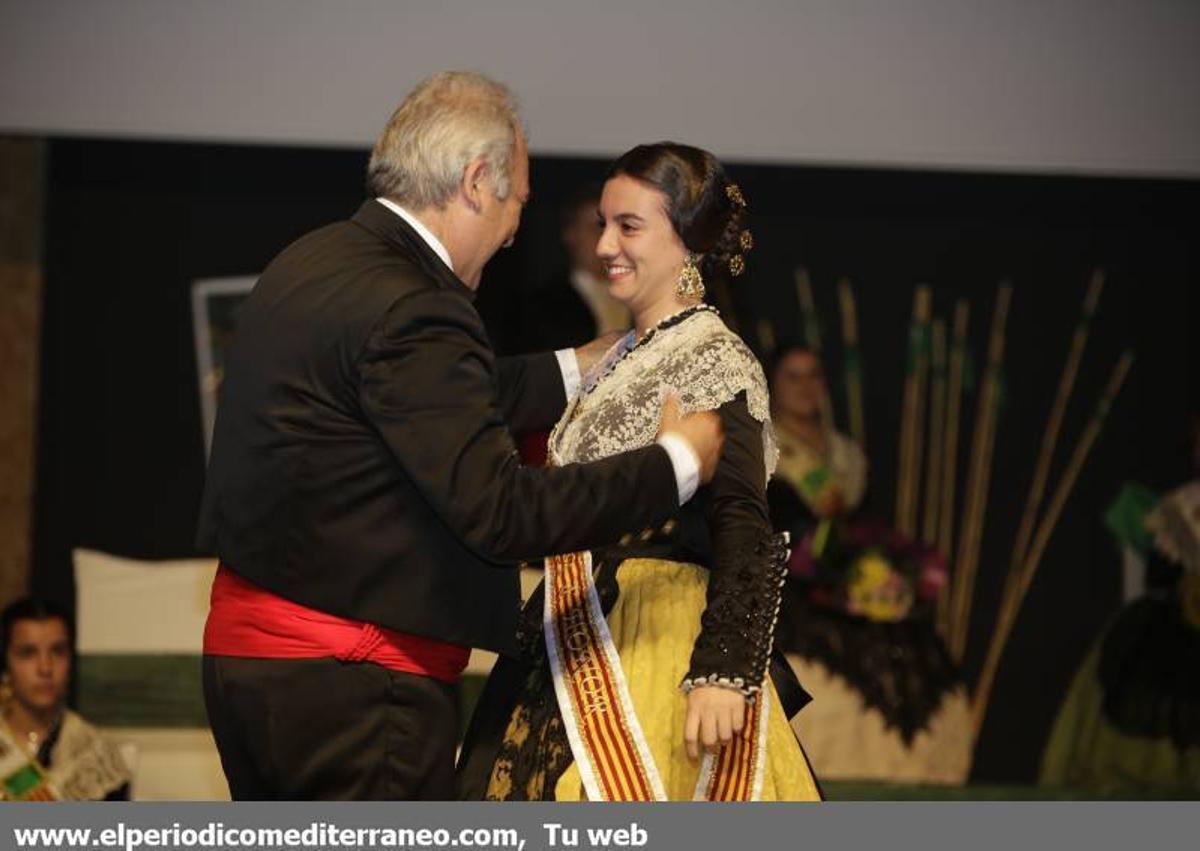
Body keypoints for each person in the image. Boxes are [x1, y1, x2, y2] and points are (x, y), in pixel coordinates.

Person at [197, 72, 723, 801]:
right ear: (477, 181)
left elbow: (421, 405)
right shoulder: (417, 305)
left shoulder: (316, 259)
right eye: (516, 203)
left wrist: (581, 365)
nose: (514, 229)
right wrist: (675, 464)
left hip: (252, 674)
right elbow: (501, 511)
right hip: (352, 689)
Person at [456, 143, 821, 801]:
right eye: (602, 223)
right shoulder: (618, 357)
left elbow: (743, 522)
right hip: (574, 632)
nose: (603, 245)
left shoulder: (717, 361)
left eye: (628, 226)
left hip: (658, 642)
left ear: (687, 242)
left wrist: (724, 671)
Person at [765, 344, 971, 785]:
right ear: (773, 385)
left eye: (814, 375)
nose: (805, 387)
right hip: (785, 584)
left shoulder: (845, 454)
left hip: (845, 583)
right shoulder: (765, 446)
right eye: (793, 377)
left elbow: (862, 525)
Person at [0, 598, 131, 800]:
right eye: (28, 653)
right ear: (5, 663)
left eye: (58, 652)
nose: (45, 668)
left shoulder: (98, 759)